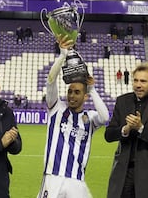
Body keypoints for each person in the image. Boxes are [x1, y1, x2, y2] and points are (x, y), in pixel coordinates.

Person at [37, 34, 109, 198]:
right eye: (70, 91)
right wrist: (62, 56)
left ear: (85, 96)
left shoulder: (89, 118)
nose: (72, 95)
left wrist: (92, 89)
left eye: (77, 92)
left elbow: (105, 117)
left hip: (77, 181)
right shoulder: (56, 109)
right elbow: (50, 81)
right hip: (53, 178)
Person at [105, 63, 148, 198]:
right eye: (135, 80)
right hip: (123, 173)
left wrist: (141, 128)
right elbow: (109, 134)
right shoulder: (122, 101)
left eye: (143, 81)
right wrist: (125, 129)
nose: (138, 85)